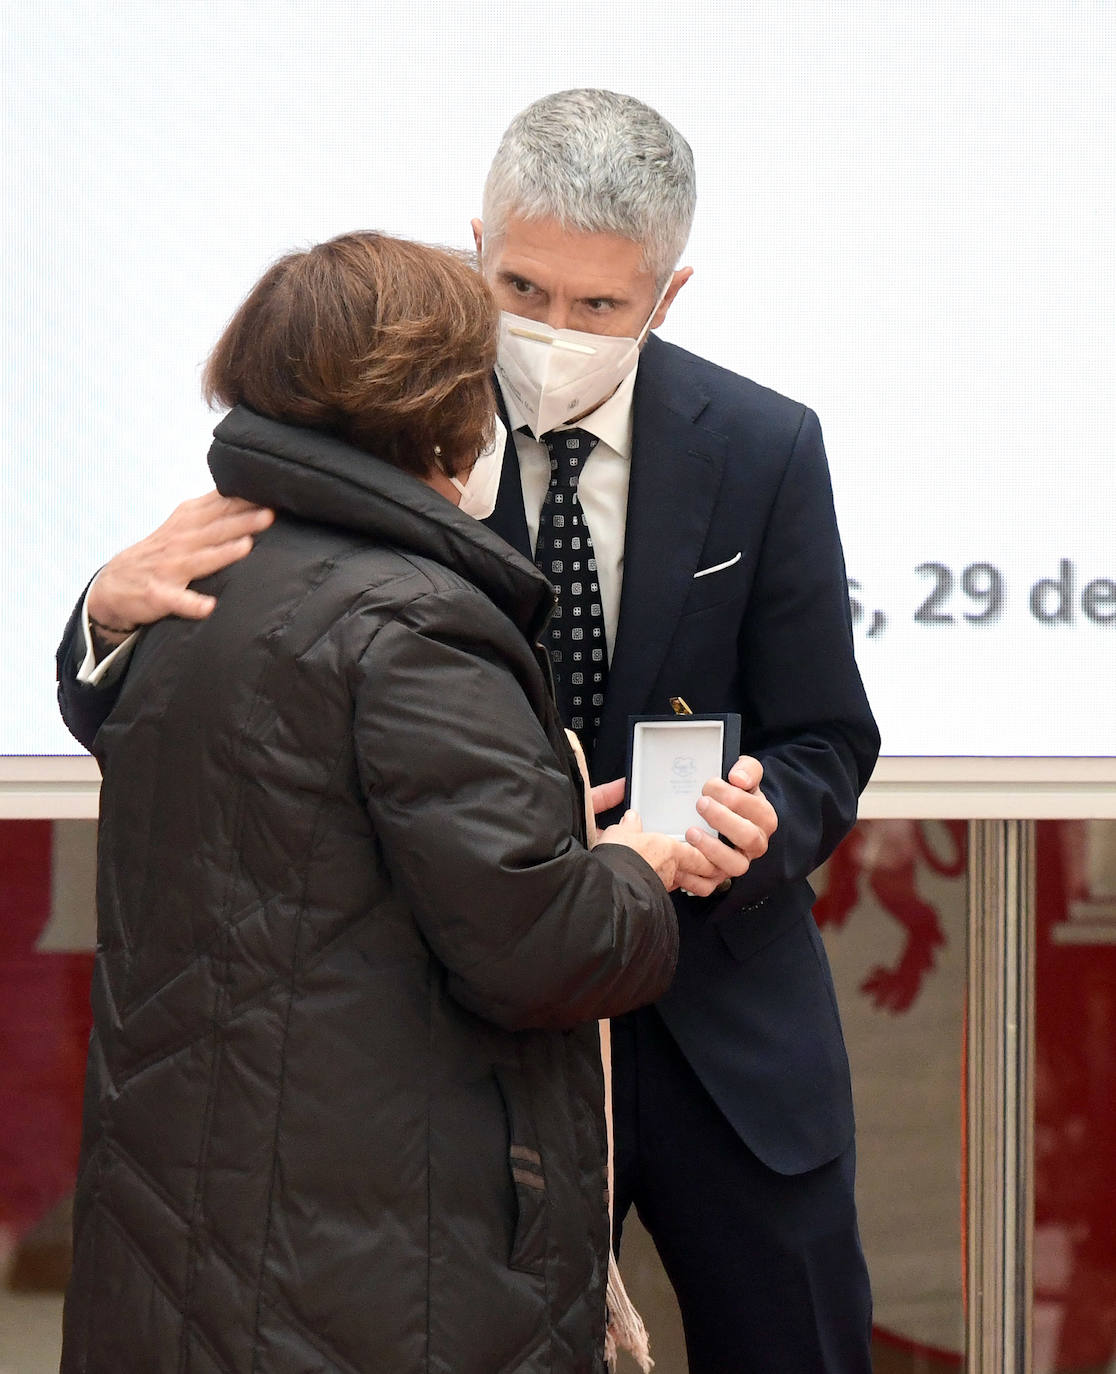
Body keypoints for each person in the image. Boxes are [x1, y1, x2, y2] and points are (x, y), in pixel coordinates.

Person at [58, 91, 881, 1373]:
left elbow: (828, 731)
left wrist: (761, 828)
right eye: (523, 286)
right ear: (475, 246)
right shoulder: (380, 423)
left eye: (599, 307)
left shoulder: (765, 447)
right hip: (479, 1038)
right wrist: (98, 618)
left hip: (724, 1020)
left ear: (667, 296)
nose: (552, 332)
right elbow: (211, 683)